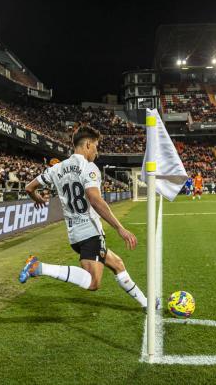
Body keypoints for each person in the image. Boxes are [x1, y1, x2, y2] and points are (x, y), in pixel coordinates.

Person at [20, 125, 147, 309]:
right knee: (93, 282)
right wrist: (120, 228)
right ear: (87, 144)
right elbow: (95, 200)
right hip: (90, 232)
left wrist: (37, 198)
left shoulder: (57, 168)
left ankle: (147, 303)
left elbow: (29, 188)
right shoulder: (89, 167)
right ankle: (39, 267)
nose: (97, 151)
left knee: (117, 264)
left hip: (74, 234)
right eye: (96, 146)